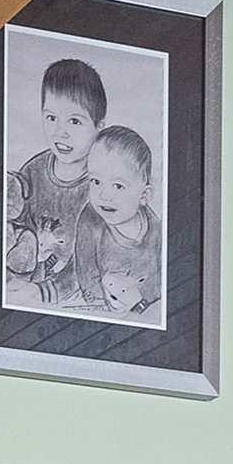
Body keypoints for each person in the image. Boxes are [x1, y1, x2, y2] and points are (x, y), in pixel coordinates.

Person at [4, 56, 107, 307]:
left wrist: (44, 293)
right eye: (51, 118)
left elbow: (91, 262)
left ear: (99, 128)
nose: (60, 132)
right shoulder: (33, 170)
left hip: (73, 296)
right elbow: (12, 231)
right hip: (25, 286)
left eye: (75, 121)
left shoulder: (101, 189)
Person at [69, 125, 163, 319]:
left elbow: (159, 281)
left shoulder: (156, 230)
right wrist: (101, 306)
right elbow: (86, 272)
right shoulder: (90, 219)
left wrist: (138, 304)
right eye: (95, 181)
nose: (103, 195)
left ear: (144, 195)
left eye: (118, 186)